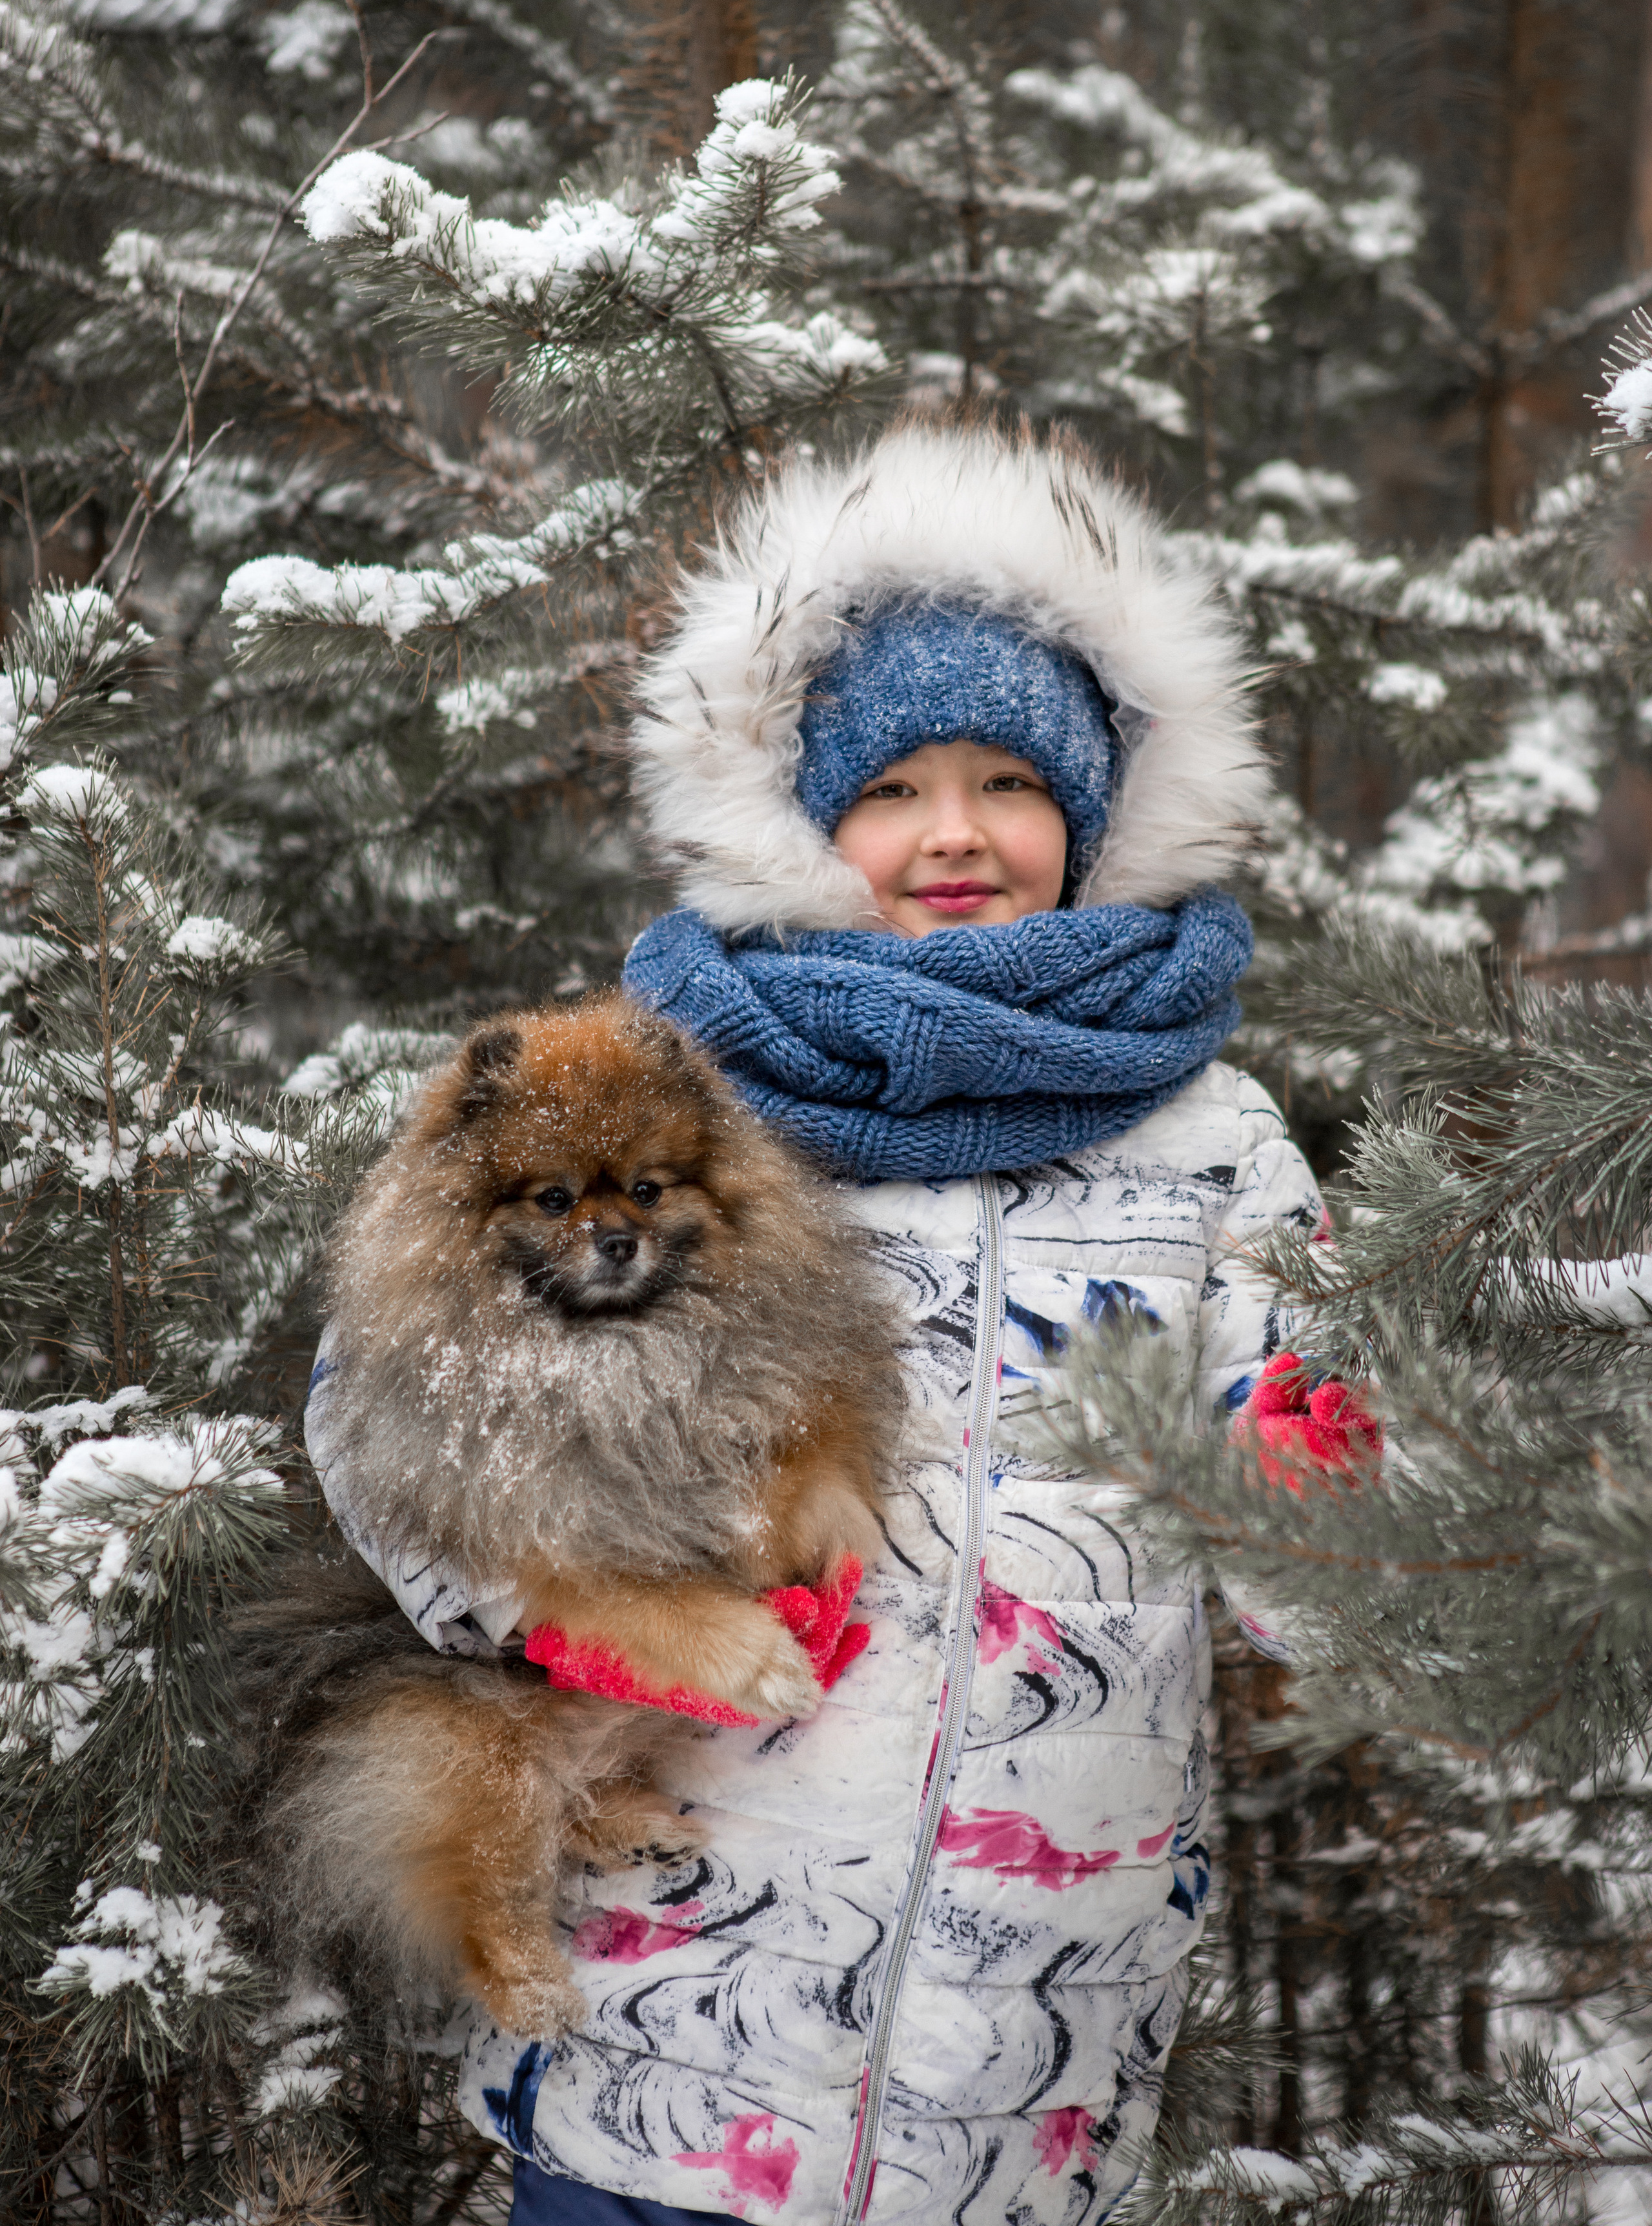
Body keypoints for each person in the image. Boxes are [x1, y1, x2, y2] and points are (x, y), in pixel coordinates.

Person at [313, 418, 1364, 2226]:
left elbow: (1314, 1559)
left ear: (1094, 806)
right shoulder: (672, 1084)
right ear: (807, 813)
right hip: (669, 2005)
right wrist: (565, 1625)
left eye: (1008, 782)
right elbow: (383, 1419)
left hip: (1028, 2045)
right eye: (890, 788)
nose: (952, 833)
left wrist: (1336, 1471)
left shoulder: (1215, 1136)